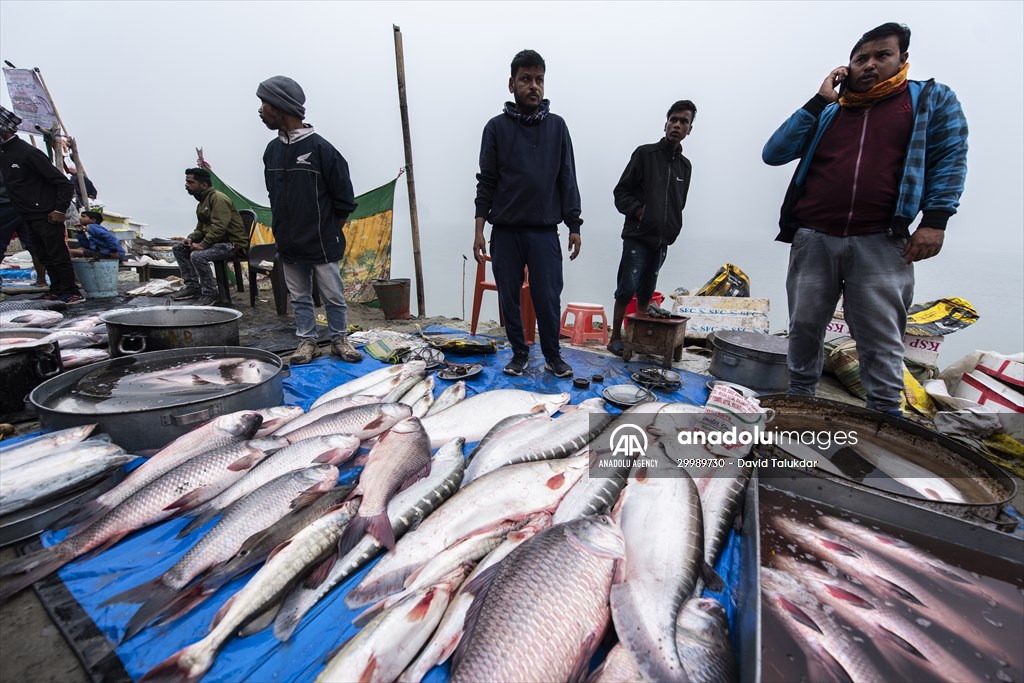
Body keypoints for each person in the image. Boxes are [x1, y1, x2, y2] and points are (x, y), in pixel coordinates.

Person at [762, 22, 968, 415]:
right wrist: (818, 101)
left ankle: (884, 420)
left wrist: (935, 220)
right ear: (847, 67)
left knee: (878, 338)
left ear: (902, 59)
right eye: (861, 58)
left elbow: (950, 158)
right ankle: (799, 406)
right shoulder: (830, 111)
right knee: (804, 330)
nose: (870, 65)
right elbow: (774, 152)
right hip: (814, 237)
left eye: (882, 55)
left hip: (881, 239)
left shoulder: (928, 100)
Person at [473, 49, 583, 378]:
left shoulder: (558, 127)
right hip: (505, 231)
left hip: (544, 231)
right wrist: (479, 230)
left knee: (548, 296)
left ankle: (552, 354)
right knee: (508, 297)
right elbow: (486, 181)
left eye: (539, 80)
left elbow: (567, 177)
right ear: (511, 84)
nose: (533, 86)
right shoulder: (495, 128)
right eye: (526, 79)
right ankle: (519, 353)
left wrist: (574, 225)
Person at [257, 75, 362, 364]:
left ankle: (340, 338)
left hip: (322, 241)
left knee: (333, 296)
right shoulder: (271, 151)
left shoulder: (322, 150)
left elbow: (344, 199)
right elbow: (273, 195)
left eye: (264, 104)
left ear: (281, 107)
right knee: (299, 297)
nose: (260, 111)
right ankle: (307, 342)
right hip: (288, 242)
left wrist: (327, 230)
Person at [607, 100, 696, 356]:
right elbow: (620, 192)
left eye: (684, 121)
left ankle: (638, 338)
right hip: (637, 235)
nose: (677, 125)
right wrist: (639, 212)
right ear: (666, 123)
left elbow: (680, 201)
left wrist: (672, 227)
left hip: (662, 240)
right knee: (626, 288)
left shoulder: (685, 166)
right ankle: (615, 337)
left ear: (690, 129)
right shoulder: (645, 155)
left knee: (647, 290)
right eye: (674, 120)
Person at [0, 106, 82, 304]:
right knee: (43, 254)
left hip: (46, 213)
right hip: (26, 214)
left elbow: (63, 183)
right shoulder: (5, 154)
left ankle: (72, 292)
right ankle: (56, 289)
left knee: (57, 254)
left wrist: (59, 210)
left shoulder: (28, 153)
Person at [172, 167, 248, 307]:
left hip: (233, 245)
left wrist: (203, 245)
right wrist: (191, 238)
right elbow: (201, 229)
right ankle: (193, 286)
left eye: (190, 182)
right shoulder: (202, 202)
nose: (186, 185)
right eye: (186, 182)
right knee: (179, 248)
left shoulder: (217, 199)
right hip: (218, 242)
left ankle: (210, 293)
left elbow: (220, 227)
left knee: (198, 255)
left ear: (204, 184)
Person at [0, 171, 46, 291]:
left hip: (7, 208)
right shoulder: (16, 164)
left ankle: (42, 279)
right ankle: (41, 280)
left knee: (34, 245)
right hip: (24, 207)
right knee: (35, 245)